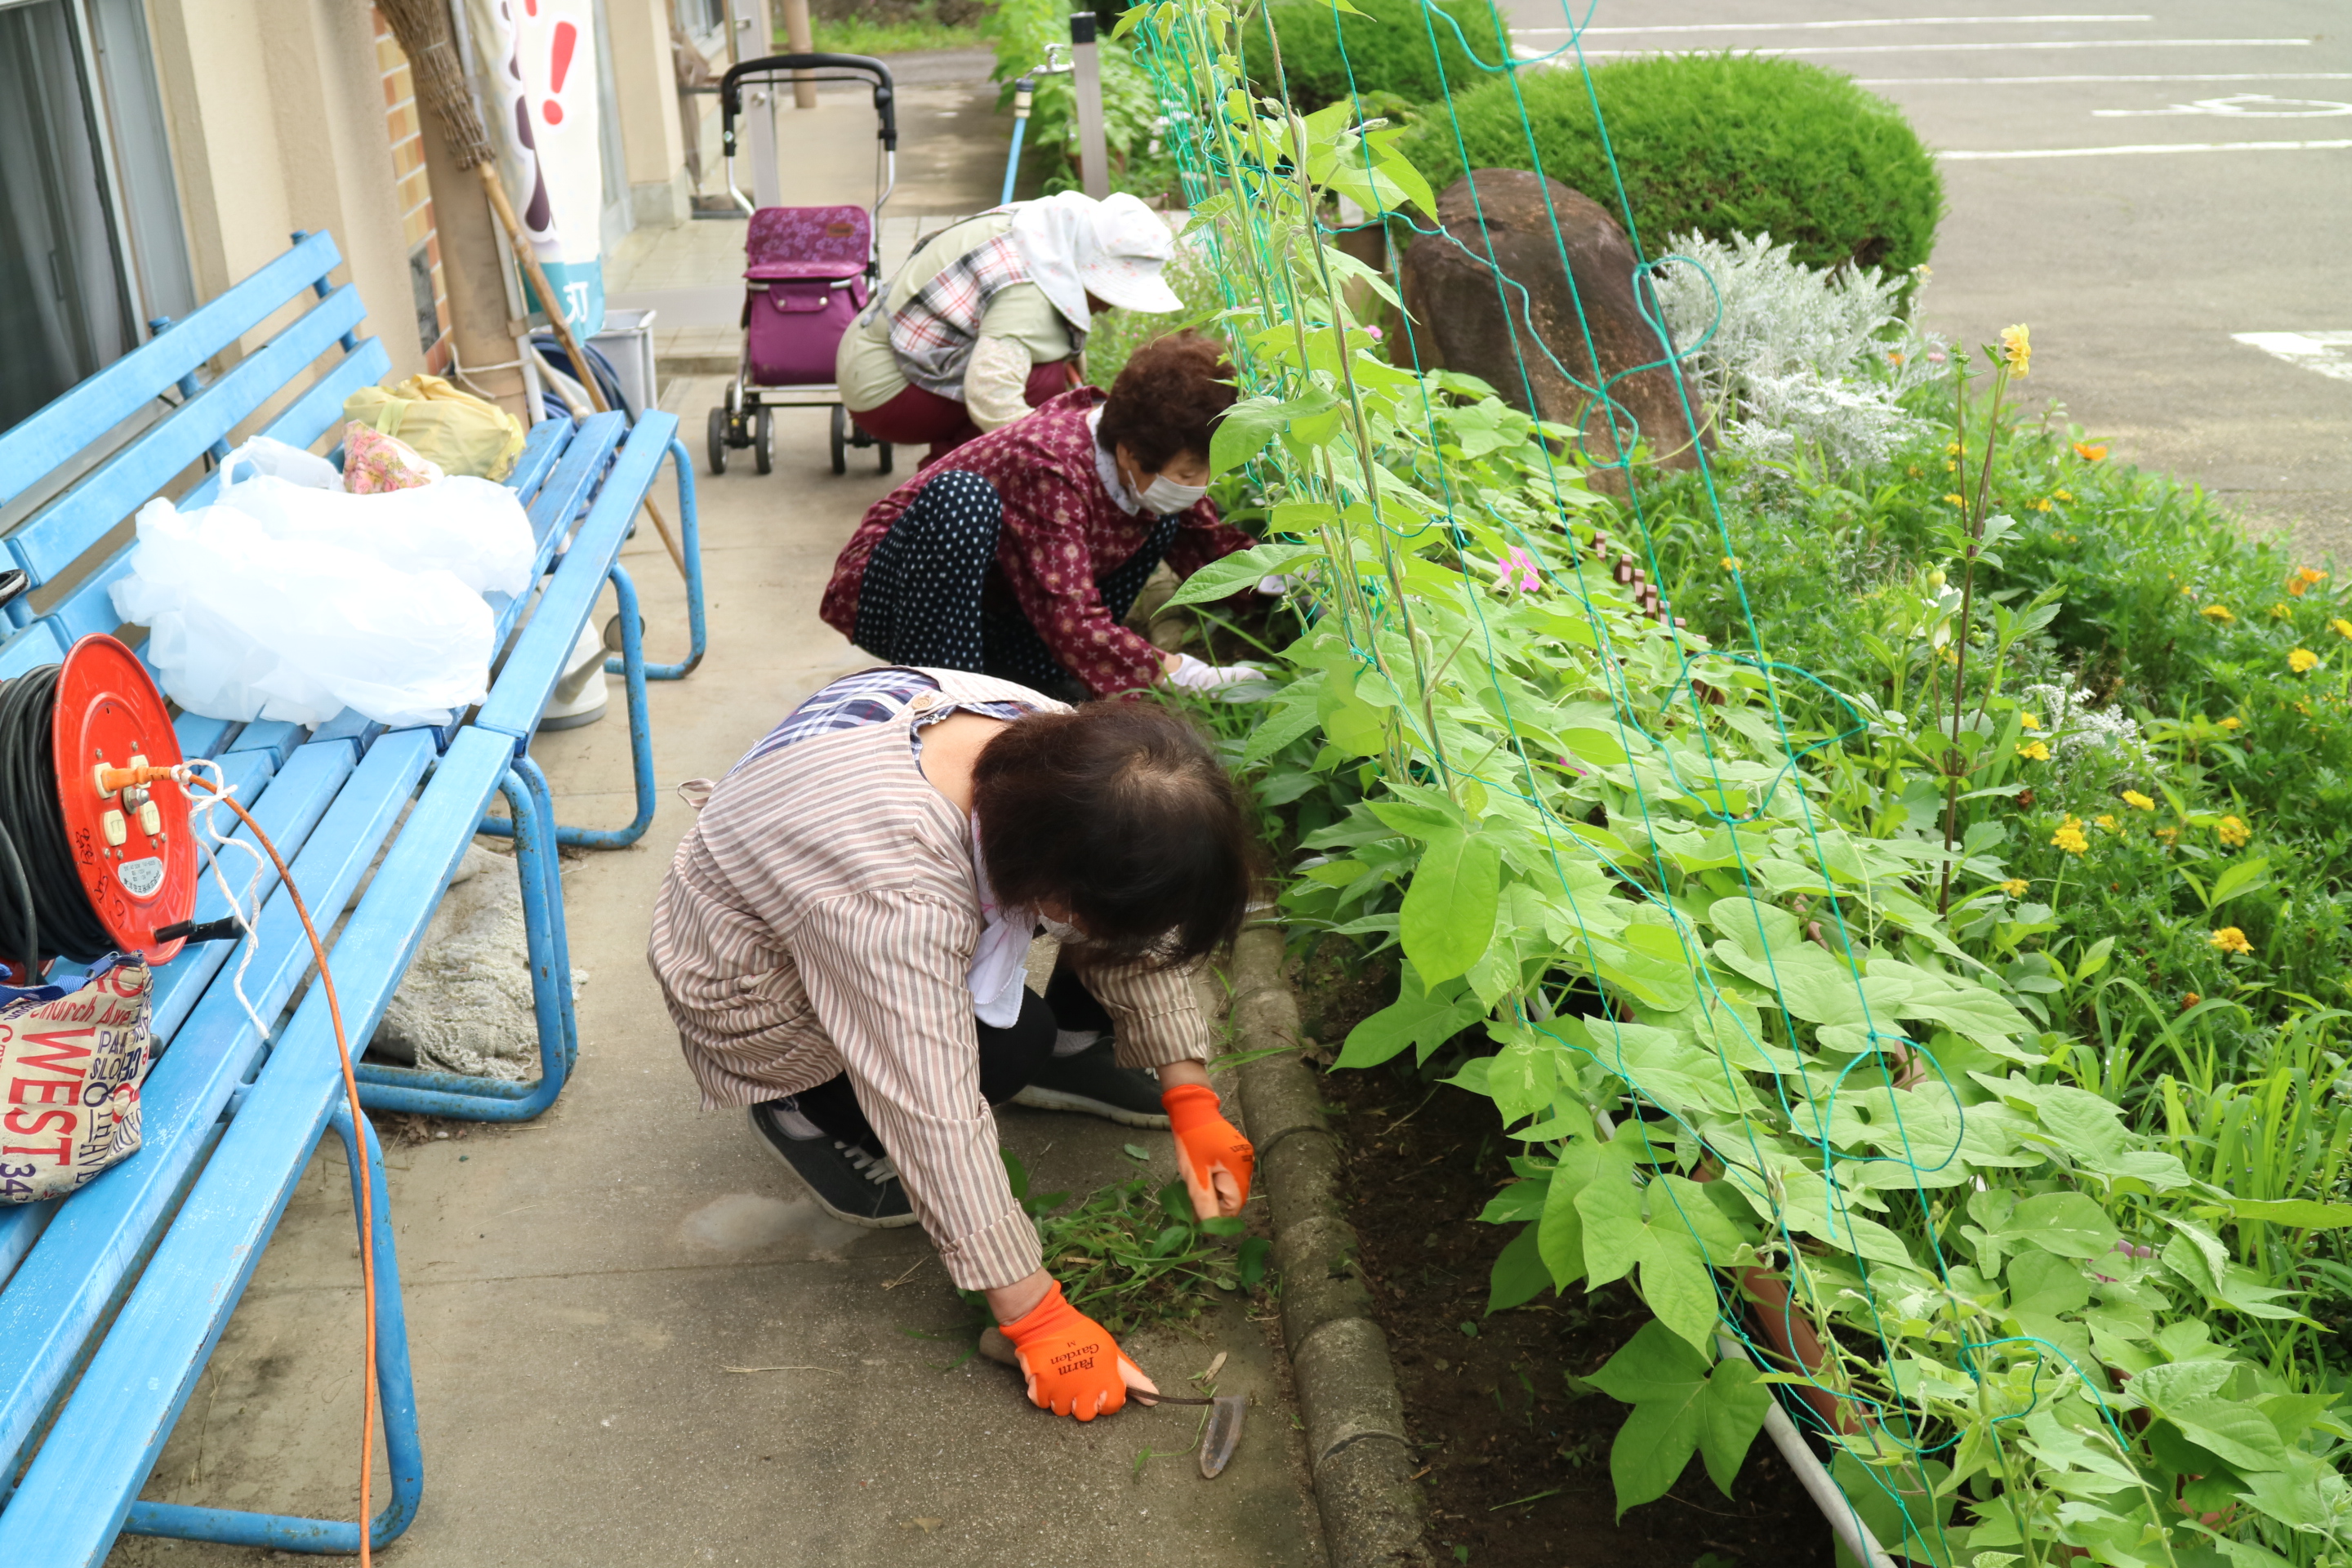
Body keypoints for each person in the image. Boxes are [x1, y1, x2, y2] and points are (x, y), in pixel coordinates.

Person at [648, 667, 1260, 1420]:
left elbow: (1133, 929)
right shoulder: (888, 893)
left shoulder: (1066, 759)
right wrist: (1033, 1315)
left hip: (835, 887)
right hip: (753, 984)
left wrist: (1189, 1092)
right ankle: (797, 1109)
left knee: (1021, 1038)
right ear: (1051, 892)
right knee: (988, 1062)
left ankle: (1056, 1054)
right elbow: (924, 1102)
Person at [821, 332, 1276, 704]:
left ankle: (1041, 679)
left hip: (1001, 599)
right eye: (1189, 472)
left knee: (1164, 515)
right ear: (1130, 452)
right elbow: (1069, 614)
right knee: (961, 499)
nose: (1200, 484)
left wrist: (1287, 577)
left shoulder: (1150, 449)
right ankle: (950, 698)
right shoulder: (1048, 464)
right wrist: (1180, 674)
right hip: (898, 593)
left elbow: (1207, 544)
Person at [836, 190, 1185, 466]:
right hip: (882, 390)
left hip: (868, 348)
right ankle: (951, 483)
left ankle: (954, 459)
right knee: (1044, 379)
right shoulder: (1028, 299)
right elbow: (993, 397)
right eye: (1111, 291)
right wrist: (1062, 457)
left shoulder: (1038, 227)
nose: (1111, 307)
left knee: (1048, 370)